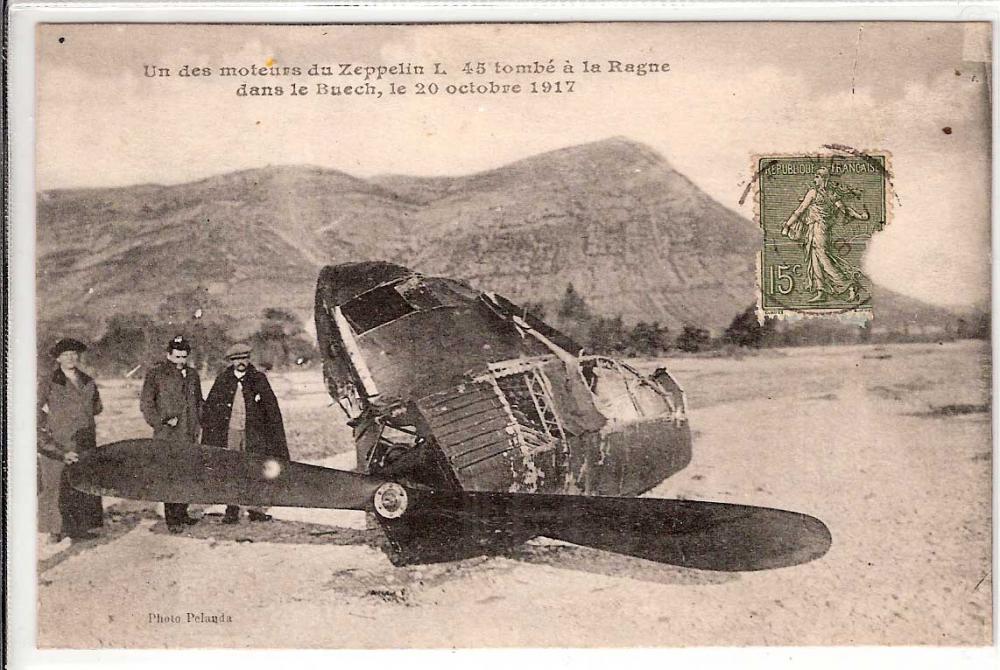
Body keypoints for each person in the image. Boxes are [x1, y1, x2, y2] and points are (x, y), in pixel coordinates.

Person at [201, 342, 289, 524]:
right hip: (230, 433)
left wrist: (271, 434)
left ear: (249, 359)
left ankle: (255, 509)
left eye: (244, 358)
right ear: (231, 361)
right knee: (231, 468)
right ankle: (232, 509)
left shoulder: (259, 379)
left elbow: (271, 409)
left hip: (253, 434)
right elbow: (210, 408)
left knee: (255, 468)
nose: (241, 362)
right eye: (237, 359)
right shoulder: (223, 380)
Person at [37, 338, 105, 542]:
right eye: (66, 354)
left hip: (84, 440)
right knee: (55, 485)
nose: (71, 357)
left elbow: (97, 407)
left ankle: (80, 528)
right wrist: (50, 424)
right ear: (58, 358)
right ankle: (54, 530)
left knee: (83, 484)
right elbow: (34, 408)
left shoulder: (87, 380)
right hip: (58, 441)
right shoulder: (49, 380)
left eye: (74, 354)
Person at [140, 335, 203, 532]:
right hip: (168, 435)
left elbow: (199, 401)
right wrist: (162, 421)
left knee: (187, 474)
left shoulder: (193, 374)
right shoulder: (156, 374)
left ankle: (183, 513)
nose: (180, 361)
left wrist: (202, 422)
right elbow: (146, 405)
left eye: (184, 357)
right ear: (168, 355)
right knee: (170, 476)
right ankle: (172, 520)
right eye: (176, 357)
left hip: (190, 433)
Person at [781, 167, 871, 303]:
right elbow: (844, 210)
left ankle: (848, 284)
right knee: (815, 258)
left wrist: (787, 225)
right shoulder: (832, 194)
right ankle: (821, 291)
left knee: (823, 258)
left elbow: (799, 210)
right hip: (820, 230)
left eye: (817, 177)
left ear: (823, 178)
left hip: (819, 229)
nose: (814, 179)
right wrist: (859, 216)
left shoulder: (813, 193)